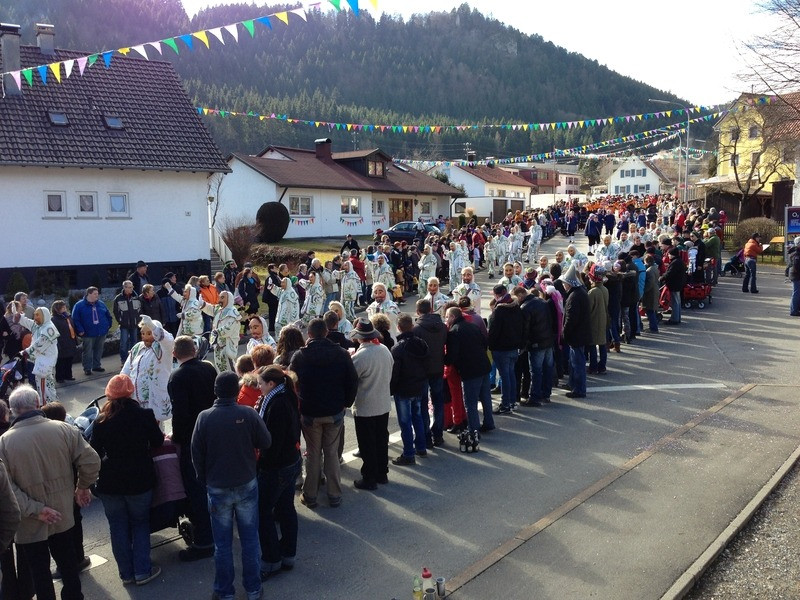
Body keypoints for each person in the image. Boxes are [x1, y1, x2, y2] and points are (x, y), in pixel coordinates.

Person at [0, 384, 100, 600]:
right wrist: (82, 486)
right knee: (69, 567)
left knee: (40, 575)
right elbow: (91, 461)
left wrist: (36, 510)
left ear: (13, 410)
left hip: (29, 522)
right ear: (38, 404)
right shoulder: (64, 429)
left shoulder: (4, 443)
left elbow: (6, 489)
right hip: (62, 513)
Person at [192, 372, 271, 600]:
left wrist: (204, 478)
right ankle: (254, 589)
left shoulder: (204, 418)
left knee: (223, 544)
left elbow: (196, 453)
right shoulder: (247, 413)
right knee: (249, 540)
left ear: (215, 392)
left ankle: (224, 592)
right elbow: (265, 441)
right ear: (236, 391)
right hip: (246, 482)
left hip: (217, 487)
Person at [90, 375, 164, 586]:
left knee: (118, 526)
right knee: (140, 523)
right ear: (131, 392)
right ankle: (142, 571)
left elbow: (94, 452)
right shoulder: (144, 414)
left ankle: (126, 574)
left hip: (109, 482)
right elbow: (158, 441)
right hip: (139, 480)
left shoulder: (101, 420)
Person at [289, 319, 358, 509]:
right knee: (332, 453)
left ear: (309, 335)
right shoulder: (341, 354)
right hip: (334, 411)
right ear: (326, 332)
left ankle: (310, 495)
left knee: (312, 454)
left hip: (310, 412)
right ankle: (334, 494)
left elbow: (292, 383)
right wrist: (346, 403)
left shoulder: (300, 356)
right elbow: (352, 381)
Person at [167, 336, 216, 562]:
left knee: (197, 491)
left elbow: (181, 413)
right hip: (213, 434)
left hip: (192, 440)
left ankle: (204, 540)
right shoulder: (208, 369)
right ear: (195, 350)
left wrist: (177, 438)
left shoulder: (177, 377)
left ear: (175, 355)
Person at [255, 366, 302, 577]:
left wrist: (264, 463)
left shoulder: (277, 403)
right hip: (291, 461)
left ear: (271, 384)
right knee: (285, 509)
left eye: (260, 383)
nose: (258, 387)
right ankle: (288, 555)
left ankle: (271, 559)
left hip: (277, 467)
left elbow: (272, 442)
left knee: (263, 512)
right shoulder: (285, 395)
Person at [349, 319, 393, 489]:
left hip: (366, 405)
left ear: (360, 338)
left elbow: (352, 379)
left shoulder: (360, 356)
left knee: (367, 444)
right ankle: (382, 473)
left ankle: (369, 477)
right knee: (381, 440)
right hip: (382, 402)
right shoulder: (384, 350)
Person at [444, 307, 494, 436]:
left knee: (470, 402)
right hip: (483, 365)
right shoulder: (472, 326)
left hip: (470, 370)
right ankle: (489, 423)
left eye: (447, 317)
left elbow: (452, 355)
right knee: (485, 397)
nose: (446, 319)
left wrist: (444, 361)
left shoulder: (454, 331)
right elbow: (484, 342)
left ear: (453, 317)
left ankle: (473, 430)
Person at [389, 314, 429, 465]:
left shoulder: (397, 348)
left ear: (399, 328)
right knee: (417, 417)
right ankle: (421, 447)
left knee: (405, 422)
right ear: (412, 326)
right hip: (419, 386)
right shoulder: (421, 343)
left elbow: (395, 373)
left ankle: (408, 453)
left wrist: (391, 390)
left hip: (404, 389)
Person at [121, 315, 175, 423]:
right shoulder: (137, 347)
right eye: (142, 333)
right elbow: (126, 371)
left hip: (154, 399)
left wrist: (153, 326)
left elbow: (168, 340)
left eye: (149, 333)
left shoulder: (163, 348)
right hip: (135, 399)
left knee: (155, 430)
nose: (145, 337)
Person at [413, 299, 448, 447]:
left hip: (423, 370)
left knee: (423, 404)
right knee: (438, 401)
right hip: (438, 368)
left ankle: (426, 435)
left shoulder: (417, 329)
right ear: (431, 309)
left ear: (418, 311)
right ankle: (438, 434)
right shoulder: (442, 326)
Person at [487, 284, 527, 414]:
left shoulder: (499, 310)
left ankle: (505, 404)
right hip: (514, 347)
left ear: (497, 295)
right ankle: (512, 401)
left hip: (501, 348)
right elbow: (522, 327)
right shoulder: (516, 307)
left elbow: (493, 332)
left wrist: (491, 346)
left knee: (505, 376)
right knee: (510, 374)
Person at [14, 307, 59, 406]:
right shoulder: (39, 325)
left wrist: (26, 351)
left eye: (37, 315)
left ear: (44, 315)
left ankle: (48, 404)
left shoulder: (49, 328)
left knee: (45, 383)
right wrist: (20, 318)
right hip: (40, 360)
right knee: (43, 384)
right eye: (34, 314)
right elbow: (29, 323)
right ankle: (50, 403)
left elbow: (40, 343)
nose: (35, 317)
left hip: (46, 360)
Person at [560, 263, 592, 399]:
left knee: (577, 363)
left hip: (576, 336)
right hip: (581, 334)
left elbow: (570, 319)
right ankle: (573, 385)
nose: (563, 286)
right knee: (576, 362)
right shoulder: (580, 293)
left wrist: (564, 334)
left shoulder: (574, 296)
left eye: (564, 283)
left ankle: (579, 389)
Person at [71, 286, 112, 376]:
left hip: (101, 331)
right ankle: (87, 368)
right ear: (88, 294)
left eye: (97, 293)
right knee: (88, 351)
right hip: (87, 333)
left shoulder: (101, 304)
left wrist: (108, 325)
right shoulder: (79, 305)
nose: (97, 295)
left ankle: (96, 365)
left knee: (99, 349)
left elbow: (108, 314)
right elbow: (75, 319)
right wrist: (80, 330)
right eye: (95, 294)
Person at [210, 291, 241, 373]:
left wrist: (217, 331)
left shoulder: (233, 312)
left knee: (229, 368)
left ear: (229, 299)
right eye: (220, 297)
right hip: (217, 345)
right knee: (219, 368)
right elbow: (210, 308)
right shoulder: (218, 309)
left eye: (222, 297)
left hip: (227, 346)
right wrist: (202, 304)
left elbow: (229, 327)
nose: (220, 299)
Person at [586, 264, 609, 375]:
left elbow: (588, 309)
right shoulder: (604, 289)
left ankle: (593, 366)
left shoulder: (592, 292)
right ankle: (602, 366)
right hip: (603, 319)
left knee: (592, 345)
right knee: (602, 344)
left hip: (594, 321)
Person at [113, 280, 142, 365]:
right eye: (129, 287)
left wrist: (138, 320)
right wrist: (120, 321)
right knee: (124, 343)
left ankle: (133, 359)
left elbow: (140, 309)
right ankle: (124, 360)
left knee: (134, 342)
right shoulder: (118, 298)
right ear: (124, 288)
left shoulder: (136, 297)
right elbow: (116, 311)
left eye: (132, 287)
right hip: (124, 325)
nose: (131, 289)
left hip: (134, 324)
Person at [51, 300, 77, 383]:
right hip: (61, 342)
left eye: (65, 307)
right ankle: (60, 377)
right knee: (61, 361)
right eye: (62, 307)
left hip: (70, 341)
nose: (65, 309)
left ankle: (68, 375)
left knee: (69, 359)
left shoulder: (68, 317)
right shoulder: (54, 319)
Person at [661, 248, 687, 325]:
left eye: (669, 254)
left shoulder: (675, 263)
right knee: (677, 302)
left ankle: (674, 319)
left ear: (672, 254)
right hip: (679, 284)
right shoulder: (679, 261)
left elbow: (670, 273)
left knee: (675, 302)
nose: (668, 256)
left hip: (674, 284)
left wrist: (662, 278)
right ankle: (677, 318)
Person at [790, 236, 800, 316]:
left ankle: (796, 309)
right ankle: (794, 311)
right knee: (796, 293)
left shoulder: (796, 252)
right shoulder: (797, 253)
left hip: (796, 275)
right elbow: (797, 266)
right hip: (797, 276)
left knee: (797, 293)